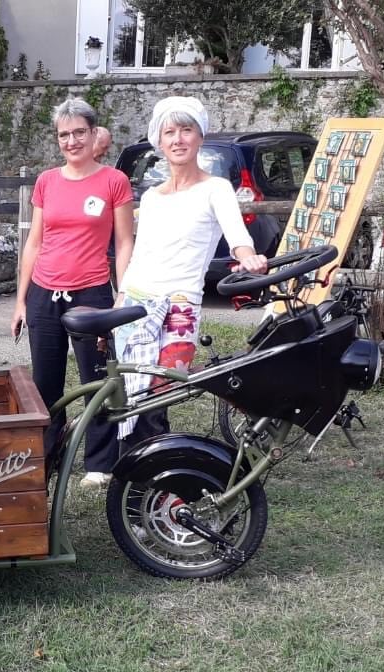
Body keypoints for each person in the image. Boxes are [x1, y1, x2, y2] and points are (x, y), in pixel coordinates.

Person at [113, 96, 268, 450]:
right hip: (137, 302)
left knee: (158, 394)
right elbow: (141, 252)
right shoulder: (152, 196)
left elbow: (237, 238)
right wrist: (122, 295)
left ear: (200, 137)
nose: (178, 139)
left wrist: (249, 257)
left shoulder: (216, 189)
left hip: (181, 307)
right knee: (129, 395)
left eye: (186, 130)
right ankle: (133, 476)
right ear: (159, 140)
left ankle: (158, 473)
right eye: (170, 132)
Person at [11, 99, 134, 487]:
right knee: (45, 385)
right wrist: (19, 300)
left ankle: (99, 463)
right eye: (64, 134)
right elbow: (34, 242)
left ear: (94, 133)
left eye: (79, 132)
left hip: (92, 295)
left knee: (95, 380)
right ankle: (48, 454)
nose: (72, 140)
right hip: (44, 295)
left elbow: (125, 243)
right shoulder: (47, 181)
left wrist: (122, 294)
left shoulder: (115, 181)